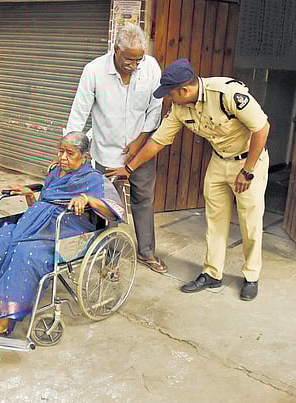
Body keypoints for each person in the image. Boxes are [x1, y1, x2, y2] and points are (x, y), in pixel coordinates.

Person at [110, 59, 270, 301]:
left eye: (171, 94)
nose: (169, 99)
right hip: (219, 161)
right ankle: (212, 273)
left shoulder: (226, 93)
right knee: (215, 220)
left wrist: (247, 171)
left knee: (250, 222)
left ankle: (251, 276)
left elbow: (261, 128)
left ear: (184, 90)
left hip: (249, 161)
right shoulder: (180, 108)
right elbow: (158, 140)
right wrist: (129, 168)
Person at [0, 132, 125, 335]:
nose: (63, 158)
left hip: (66, 230)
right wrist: (29, 194)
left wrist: (87, 199)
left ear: (85, 156)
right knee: (0, 238)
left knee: (25, 253)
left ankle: (5, 318)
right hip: (35, 223)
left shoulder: (93, 179)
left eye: (70, 153)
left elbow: (114, 210)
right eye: (60, 151)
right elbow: (44, 202)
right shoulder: (55, 172)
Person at [64, 23, 167, 274]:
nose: (134, 65)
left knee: (143, 199)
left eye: (138, 59)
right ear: (116, 50)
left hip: (140, 151)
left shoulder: (151, 67)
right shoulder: (94, 71)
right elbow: (79, 113)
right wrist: (69, 151)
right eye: (129, 60)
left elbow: (155, 110)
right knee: (110, 206)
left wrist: (139, 143)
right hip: (106, 152)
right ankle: (110, 256)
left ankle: (146, 252)